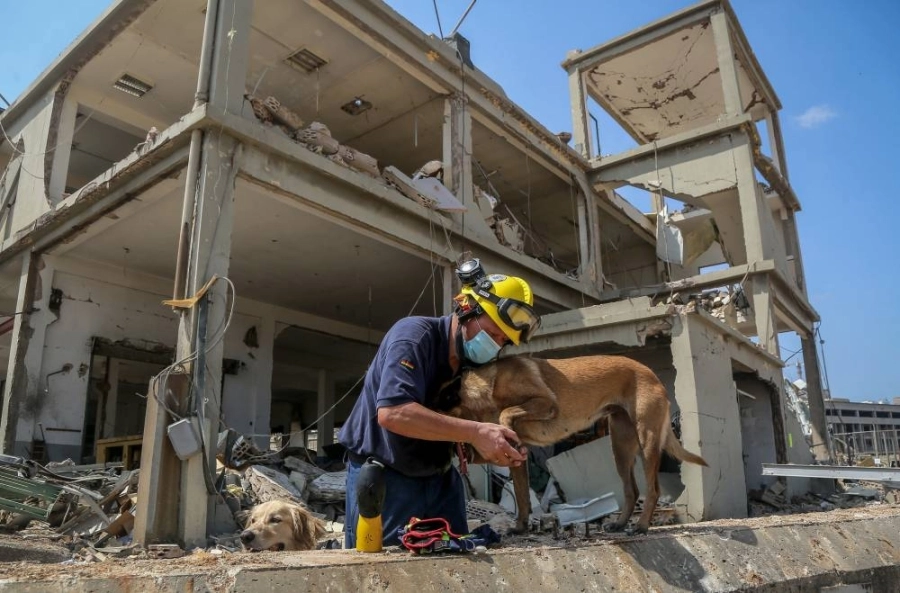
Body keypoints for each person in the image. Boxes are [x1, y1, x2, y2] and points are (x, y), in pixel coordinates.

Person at [339, 260, 541, 548]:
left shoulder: (466, 363)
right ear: (467, 308)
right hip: (387, 481)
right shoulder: (413, 336)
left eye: (503, 341)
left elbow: (448, 430)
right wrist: (475, 432)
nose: (496, 345)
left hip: (439, 480)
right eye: (493, 332)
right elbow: (394, 413)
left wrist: (491, 451)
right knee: (385, 574)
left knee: (456, 567)